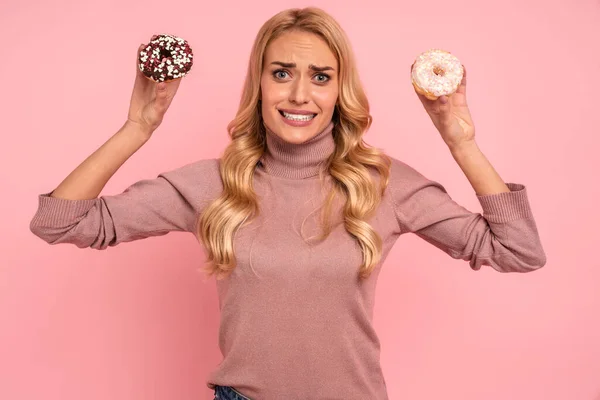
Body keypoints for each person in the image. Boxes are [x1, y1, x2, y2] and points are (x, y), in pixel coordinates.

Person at [29, 7, 546, 400]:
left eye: (320, 76)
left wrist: (461, 143)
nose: (300, 94)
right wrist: (137, 127)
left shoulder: (383, 184)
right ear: (259, 83)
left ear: (340, 88)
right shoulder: (212, 186)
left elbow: (518, 251)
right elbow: (59, 222)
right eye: (281, 73)